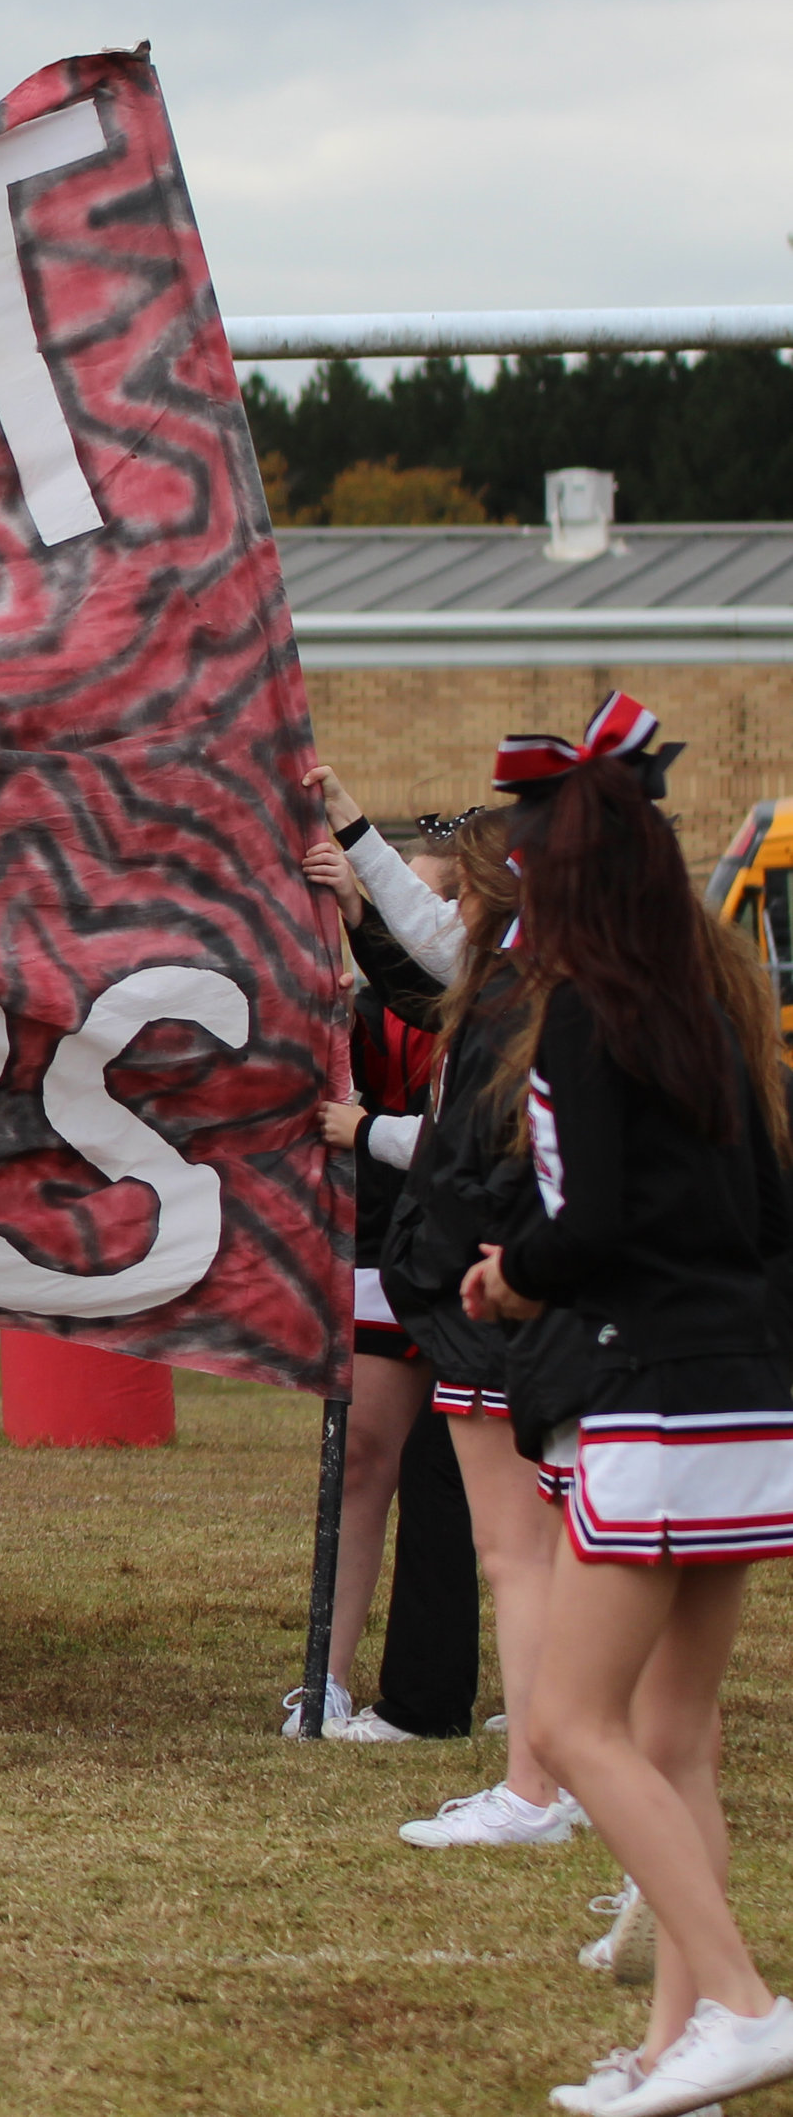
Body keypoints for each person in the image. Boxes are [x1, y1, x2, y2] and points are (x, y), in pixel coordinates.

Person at [456, 700, 793, 2117]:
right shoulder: (725, 1010)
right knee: (672, 1737)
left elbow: (585, 1227)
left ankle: (740, 2002)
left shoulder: (590, 1017)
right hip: (749, 1397)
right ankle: (680, 2055)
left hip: (651, 1397)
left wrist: (504, 1278)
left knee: (578, 1722)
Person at [324, 774, 589, 1847]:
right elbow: (419, 945)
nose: (450, 919)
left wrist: (369, 1134)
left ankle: (540, 1780)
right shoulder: (574, 982)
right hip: (606, 1321)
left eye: (460, 897)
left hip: (527, 1294)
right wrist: (348, 830)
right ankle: (561, 1753)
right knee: (562, 1547)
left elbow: (479, 1150)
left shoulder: (531, 995)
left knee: (524, 1552)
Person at [293, 820, 474, 1744]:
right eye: (424, 899)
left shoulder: (492, 1003)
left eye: (446, 900)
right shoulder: (356, 1006)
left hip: (465, 1242)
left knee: (469, 1479)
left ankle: (509, 1683)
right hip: (375, 1240)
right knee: (366, 1460)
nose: (435, 918)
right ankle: (325, 1675)